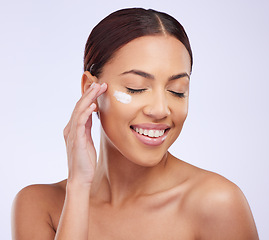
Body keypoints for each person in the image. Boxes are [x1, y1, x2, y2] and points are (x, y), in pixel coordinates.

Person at [11, 8, 259, 240]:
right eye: (136, 88)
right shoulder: (39, 205)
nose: (160, 109)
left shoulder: (217, 203)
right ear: (91, 90)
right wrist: (78, 187)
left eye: (177, 91)